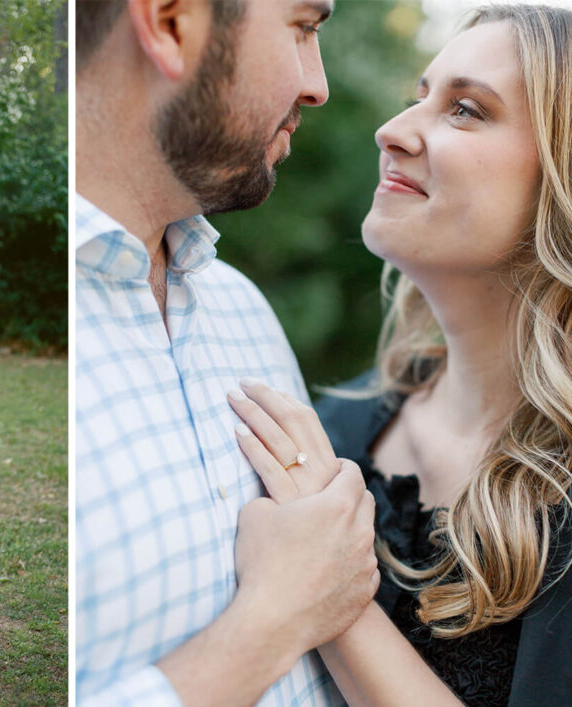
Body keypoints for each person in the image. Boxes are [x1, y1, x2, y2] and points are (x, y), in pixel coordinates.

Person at [228, 5, 572, 705]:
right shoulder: (341, 422)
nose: (391, 130)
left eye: (466, 110)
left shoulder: (313, 471)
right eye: (420, 96)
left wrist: (325, 590)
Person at [75, 1, 379, 704]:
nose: (318, 84)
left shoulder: (243, 310)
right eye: (304, 28)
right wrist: (276, 621)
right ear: (172, 23)